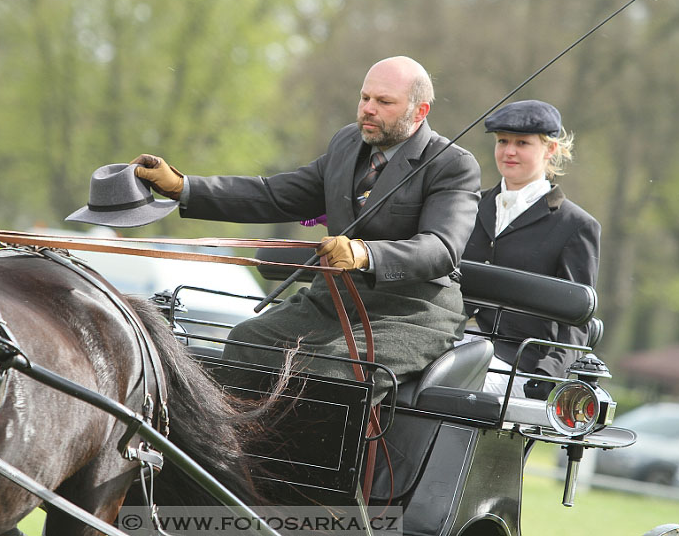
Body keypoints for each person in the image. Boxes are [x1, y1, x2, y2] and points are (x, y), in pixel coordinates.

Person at [131, 56, 481, 403]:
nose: (368, 109)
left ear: (419, 112)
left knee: (330, 373)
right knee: (246, 342)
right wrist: (183, 187)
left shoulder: (452, 165)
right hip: (333, 300)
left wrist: (365, 254)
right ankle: (234, 455)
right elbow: (275, 194)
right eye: (365, 98)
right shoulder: (346, 144)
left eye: (384, 102)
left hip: (410, 313)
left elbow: (441, 248)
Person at [462, 99, 601, 399]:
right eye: (502, 141)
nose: (509, 151)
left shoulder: (575, 226)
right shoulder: (468, 206)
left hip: (515, 362)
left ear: (550, 149)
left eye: (522, 143)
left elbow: (575, 321)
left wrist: (548, 373)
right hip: (450, 342)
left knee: (463, 389)